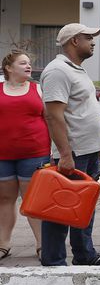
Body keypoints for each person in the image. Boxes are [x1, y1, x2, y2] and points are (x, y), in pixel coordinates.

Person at [40, 23, 100, 266]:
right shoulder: (57, 71)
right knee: (60, 211)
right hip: (73, 154)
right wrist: (64, 154)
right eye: (88, 37)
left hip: (88, 151)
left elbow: (84, 111)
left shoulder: (76, 70)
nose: (93, 42)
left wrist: (99, 144)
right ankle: (54, 261)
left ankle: (85, 255)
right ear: (74, 41)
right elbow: (53, 115)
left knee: (85, 207)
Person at [0, 50, 51, 261]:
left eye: (29, 63)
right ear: (9, 68)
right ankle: (3, 244)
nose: (28, 66)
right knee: (5, 199)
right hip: (3, 156)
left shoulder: (38, 89)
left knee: (32, 201)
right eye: (23, 63)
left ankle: (42, 244)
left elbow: (50, 119)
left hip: (35, 154)